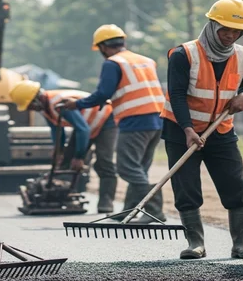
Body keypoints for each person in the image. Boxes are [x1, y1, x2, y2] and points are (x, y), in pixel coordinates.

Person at [160, 0, 243, 260]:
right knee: (186, 188)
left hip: (221, 131)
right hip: (181, 131)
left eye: (236, 31)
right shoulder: (184, 54)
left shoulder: (242, 55)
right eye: (224, 29)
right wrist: (187, 128)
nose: (230, 36)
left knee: (235, 187)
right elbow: (177, 94)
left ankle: (242, 244)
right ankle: (195, 243)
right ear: (211, 24)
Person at [62, 24, 166, 223]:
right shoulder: (145, 60)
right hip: (158, 120)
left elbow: (103, 93)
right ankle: (128, 211)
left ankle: (154, 209)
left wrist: (77, 104)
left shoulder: (113, 63)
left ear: (102, 47)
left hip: (135, 120)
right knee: (139, 168)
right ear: (123, 41)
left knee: (127, 168)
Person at [10, 80, 118, 213]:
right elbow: (57, 130)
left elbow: (83, 130)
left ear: (36, 99)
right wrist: (58, 152)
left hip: (105, 120)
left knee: (104, 162)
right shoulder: (45, 108)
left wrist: (79, 157)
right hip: (85, 125)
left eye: (30, 106)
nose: (31, 110)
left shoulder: (59, 103)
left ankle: (106, 203)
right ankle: (62, 195)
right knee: (65, 161)